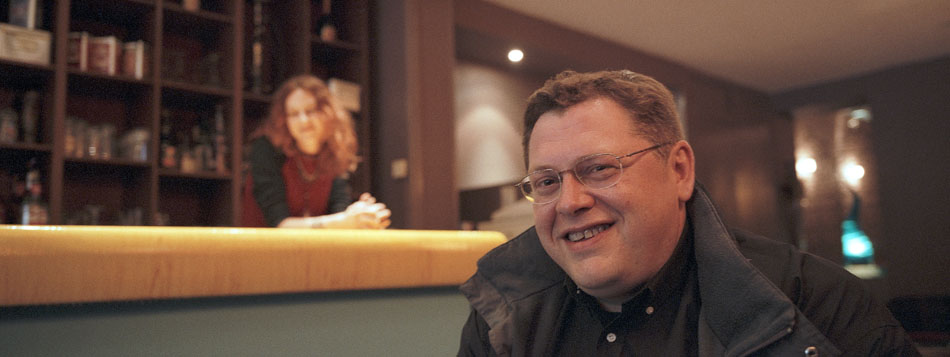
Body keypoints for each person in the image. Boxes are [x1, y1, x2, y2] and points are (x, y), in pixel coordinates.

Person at [457, 70, 918, 356]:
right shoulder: (503, 319)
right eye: (547, 182)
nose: (570, 201)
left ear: (678, 170)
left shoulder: (813, 303)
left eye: (599, 169)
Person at [242, 75, 390, 229]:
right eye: (293, 114)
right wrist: (344, 220)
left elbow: (339, 212)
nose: (304, 121)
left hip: (313, 249)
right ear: (284, 120)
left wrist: (363, 216)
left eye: (310, 111)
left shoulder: (334, 154)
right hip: (263, 248)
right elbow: (280, 224)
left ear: (328, 113)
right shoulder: (267, 148)